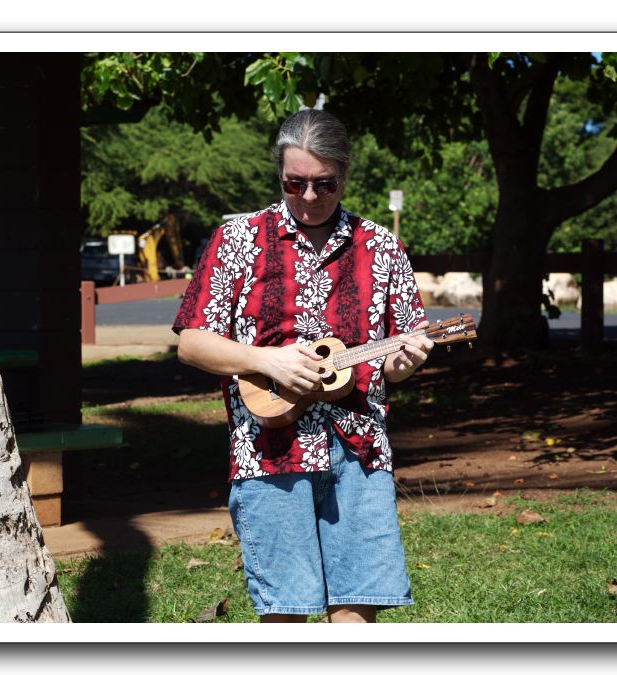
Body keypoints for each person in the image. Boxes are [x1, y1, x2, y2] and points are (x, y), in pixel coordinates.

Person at [172, 109, 434, 623]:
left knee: (356, 611)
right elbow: (191, 342)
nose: (309, 198)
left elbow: (397, 362)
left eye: (324, 185)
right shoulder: (237, 241)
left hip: (360, 448)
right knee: (285, 614)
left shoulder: (381, 247)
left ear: (345, 176)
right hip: (266, 451)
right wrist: (263, 358)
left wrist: (407, 360)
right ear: (280, 175)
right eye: (295, 184)